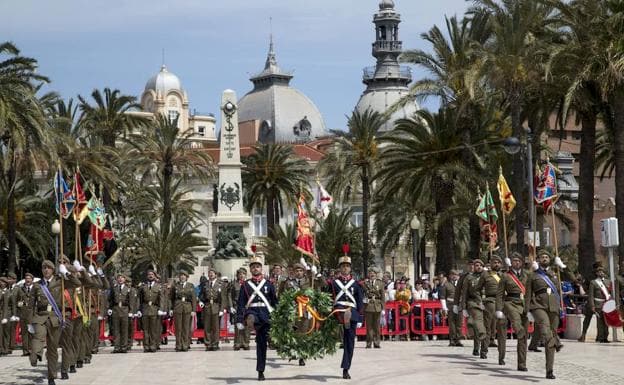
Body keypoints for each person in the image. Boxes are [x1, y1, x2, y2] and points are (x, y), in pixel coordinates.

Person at [30, 259, 81, 385]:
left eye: (48, 268)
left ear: (53, 270)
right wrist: (30, 322)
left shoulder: (60, 282)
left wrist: (66, 273)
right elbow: (31, 306)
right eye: (43, 268)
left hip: (55, 317)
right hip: (41, 317)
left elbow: (77, 283)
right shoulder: (37, 285)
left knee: (52, 348)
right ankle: (36, 355)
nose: (46, 270)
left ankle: (51, 376)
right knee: (38, 336)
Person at [236, 255, 277, 381]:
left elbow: (275, 302)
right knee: (251, 317)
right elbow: (241, 303)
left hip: (266, 314)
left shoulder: (269, 284)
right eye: (253, 267)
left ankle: (261, 370)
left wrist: (281, 315)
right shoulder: (245, 285)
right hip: (252, 311)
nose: (255, 269)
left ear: (261, 268)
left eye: (257, 266)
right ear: (250, 269)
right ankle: (250, 322)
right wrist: (238, 319)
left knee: (262, 345)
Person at [325, 251, 364, 380]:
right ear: (340, 268)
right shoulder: (333, 283)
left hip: (351, 311)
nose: (345, 268)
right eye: (343, 266)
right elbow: (327, 296)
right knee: (340, 313)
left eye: (347, 266)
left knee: (349, 342)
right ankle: (345, 318)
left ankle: (346, 368)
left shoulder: (356, 284)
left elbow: (359, 302)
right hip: (338, 309)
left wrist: (360, 318)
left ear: (350, 268)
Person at [525, 250, 562, 379]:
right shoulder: (533, 275)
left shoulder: (555, 273)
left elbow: (573, 280)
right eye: (542, 257)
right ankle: (556, 342)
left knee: (551, 337)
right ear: (538, 260)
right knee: (546, 333)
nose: (544, 259)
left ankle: (549, 370)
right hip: (538, 305)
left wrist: (563, 267)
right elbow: (528, 294)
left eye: (547, 257)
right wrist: (527, 310)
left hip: (554, 307)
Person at [495, 252, 529, 371]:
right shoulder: (505, 276)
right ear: (511, 263)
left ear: (522, 263)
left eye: (519, 261)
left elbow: (532, 291)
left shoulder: (527, 275)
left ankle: (521, 364)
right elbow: (499, 294)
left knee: (523, 336)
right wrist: (499, 309)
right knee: (516, 321)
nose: (517, 263)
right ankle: (517, 330)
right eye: (514, 261)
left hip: (524, 304)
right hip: (510, 302)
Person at [475, 256, 505, 358]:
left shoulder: (504, 275)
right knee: (488, 328)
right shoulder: (485, 275)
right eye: (494, 262)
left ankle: (501, 354)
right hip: (490, 302)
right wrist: (480, 301)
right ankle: (484, 351)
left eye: (498, 262)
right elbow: (477, 289)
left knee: (501, 329)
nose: (496, 264)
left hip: (502, 303)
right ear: (490, 264)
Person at [460, 259, 487, 358]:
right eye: (476, 265)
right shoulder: (469, 278)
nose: (478, 267)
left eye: (480, 265)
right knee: (477, 326)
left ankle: (484, 350)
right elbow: (465, 293)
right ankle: (476, 347)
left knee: (485, 327)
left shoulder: (488, 276)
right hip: (474, 303)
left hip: (487, 303)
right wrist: (464, 308)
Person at [199, 268, 228, 351]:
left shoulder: (220, 284)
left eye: (212, 273)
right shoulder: (205, 284)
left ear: (216, 274)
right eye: (209, 273)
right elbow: (201, 295)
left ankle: (215, 344)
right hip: (207, 306)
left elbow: (223, 298)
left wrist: (222, 309)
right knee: (207, 327)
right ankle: (208, 344)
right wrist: (200, 301)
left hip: (216, 306)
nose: (211, 274)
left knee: (216, 327)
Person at [137, 270, 166, 353]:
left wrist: (161, 309)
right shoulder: (143, 287)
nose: (150, 276)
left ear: (154, 276)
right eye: (149, 274)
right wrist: (139, 309)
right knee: (145, 330)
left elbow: (161, 299)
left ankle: (153, 346)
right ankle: (146, 346)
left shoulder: (158, 287)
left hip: (154, 309)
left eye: (152, 274)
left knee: (153, 330)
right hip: (145, 309)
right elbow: (140, 299)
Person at [585, 266, 612, 343]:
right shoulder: (593, 282)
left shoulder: (608, 282)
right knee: (600, 322)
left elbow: (610, 293)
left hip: (606, 303)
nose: (601, 273)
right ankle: (600, 337)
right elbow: (591, 295)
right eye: (599, 272)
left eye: (602, 271)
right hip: (598, 304)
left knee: (606, 321)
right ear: (596, 273)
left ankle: (605, 337)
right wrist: (592, 306)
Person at [108, 272, 134, 354]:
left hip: (125, 309)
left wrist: (131, 311)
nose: (120, 279)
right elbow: (111, 299)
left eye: (122, 277)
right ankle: (116, 347)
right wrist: (110, 308)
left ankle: (124, 347)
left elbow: (131, 301)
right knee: (116, 329)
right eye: (118, 278)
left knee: (124, 329)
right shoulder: (114, 288)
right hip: (116, 309)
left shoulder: (128, 289)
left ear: (125, 279)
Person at [362, 266, 385, 349]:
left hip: (377, 306)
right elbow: (363, 294)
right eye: (370, 273)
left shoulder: (380, 283)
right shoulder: (365, 284)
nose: (372, 274)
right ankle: (368, 343)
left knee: (377, 326)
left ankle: (377, 342)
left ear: (376, 274)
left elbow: (383, 297)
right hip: (368, 306)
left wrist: (383, 308)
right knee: (369, 326)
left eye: (373, 273)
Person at [16, 272, 36, 357]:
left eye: (29, 278)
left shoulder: (35, 288)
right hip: (23, 313)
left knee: (32, 332)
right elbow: (16, 300)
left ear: (32, 280)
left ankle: (32, 350)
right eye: (26, 278)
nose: (27, 280)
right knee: (24, 333)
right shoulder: (20, 289)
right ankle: (25, 351)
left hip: (32, 313)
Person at [440, 270, 462, 346]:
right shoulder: (446, 285)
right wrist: (444, 308)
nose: (454, 276)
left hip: (459, 305)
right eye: (453, 274)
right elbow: (442, 297)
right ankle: (452, 340)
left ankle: (458, 340)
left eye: (456, 274)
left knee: (459, 323)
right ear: (450, 276)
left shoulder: (461, 284)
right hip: (450, 305)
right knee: (452, 324)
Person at [230, 268, 250, 351]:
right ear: (237, 275)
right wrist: (231, 306)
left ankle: (245, 343)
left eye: (243, 274)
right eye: (240, 274)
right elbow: (230, 296)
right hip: (237, 306)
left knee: (246, 326)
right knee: (238, 326)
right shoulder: (234, 284)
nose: (241, 275)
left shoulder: (249, 284)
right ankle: (237, 343)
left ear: (245, 275)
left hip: (247, 306)